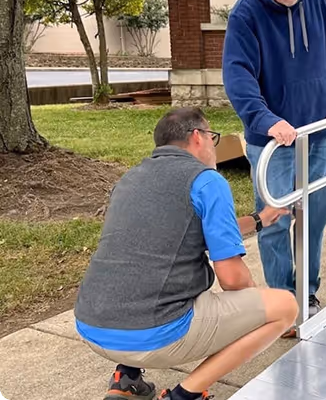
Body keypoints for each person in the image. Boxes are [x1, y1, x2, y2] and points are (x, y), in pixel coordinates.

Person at [74, 107, 298, 400]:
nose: (213, 147)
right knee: (284, 307)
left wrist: (258, 219)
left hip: (92, 325)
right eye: (212, 137)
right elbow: (232, 279)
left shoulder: (130, 178)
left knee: (146, 272)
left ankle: (126, 378)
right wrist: (254, 306)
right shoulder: (207, 180)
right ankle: (184, 396)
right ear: (197, 137)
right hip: (153, 335)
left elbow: (182, 230)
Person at [221, 0, 326, 327]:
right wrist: (267, 120)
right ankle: (282, 301)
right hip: (274, 143)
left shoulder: (318, 2)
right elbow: (238, 78)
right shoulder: (246, 15)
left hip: (317, 135)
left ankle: (307, 292)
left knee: (317, 211)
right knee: (275, 220)